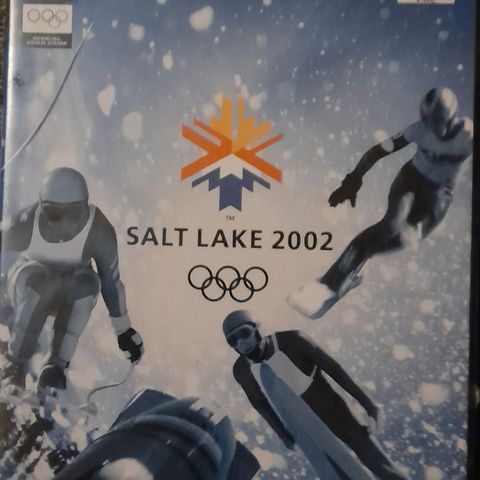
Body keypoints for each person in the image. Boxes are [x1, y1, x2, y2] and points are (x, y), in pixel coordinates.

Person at [288, 87, 473, 319]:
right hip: (411, 179)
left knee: (408, 239)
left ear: (452, 117)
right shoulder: (418, 130)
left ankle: (358, 261)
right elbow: (378, 151)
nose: (433, 129)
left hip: (439, 193)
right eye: (428, 122)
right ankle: (329, 283)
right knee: (391, 225)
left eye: (438, 122)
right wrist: (353, 180)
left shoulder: (469, 135)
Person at [0, 167, 143, 390]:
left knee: (87, 284)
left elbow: (110, 282)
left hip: (69, 291)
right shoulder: (25, 222)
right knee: (41, 282)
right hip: (28, 285)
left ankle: (56, 367)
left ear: (85, 208)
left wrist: (123, 331)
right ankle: (14, 363)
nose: (65, 225)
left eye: (74, 214)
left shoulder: (98, 229)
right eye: (55, 215)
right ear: (41, 209)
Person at [224, 310, 409, 480]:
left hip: (337, 412)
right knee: (341, 476)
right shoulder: (241, 371)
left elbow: (334, 370)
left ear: (257, 329)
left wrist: (369, 406)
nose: (241, 343)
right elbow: (260, 404)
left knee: (379, 464)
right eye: (233, 340)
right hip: (306, 427)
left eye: (244, 333)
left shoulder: (293, 341)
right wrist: (284, 436)